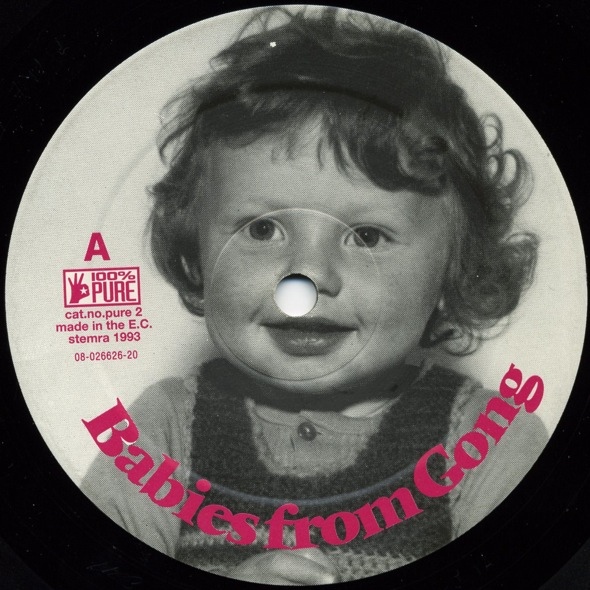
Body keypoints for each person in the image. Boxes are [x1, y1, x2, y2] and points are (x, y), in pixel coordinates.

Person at [81, 6, 547, 584]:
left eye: (367, 236)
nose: (305, 277)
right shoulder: (163, 430)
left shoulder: (489, 443)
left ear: (454, 266)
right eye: (262, 229)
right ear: (196, 248)